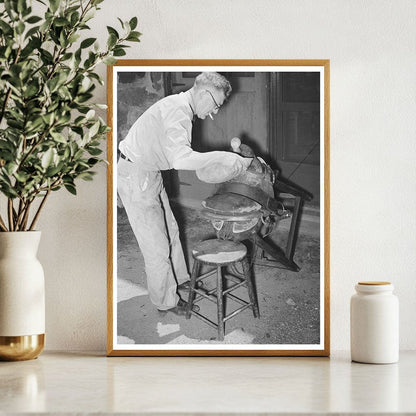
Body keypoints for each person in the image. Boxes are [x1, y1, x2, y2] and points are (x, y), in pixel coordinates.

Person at [117, 72, 252, 316]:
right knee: (156, 248)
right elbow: (181, 159)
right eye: (216, 105)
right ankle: (165, 302)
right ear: (203, 93)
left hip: (149, 172)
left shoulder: (181, 107)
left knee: (171, 231)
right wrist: (225, 157)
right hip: (135, 175)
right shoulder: (178, 111)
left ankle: (179, 280)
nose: (214, 113)